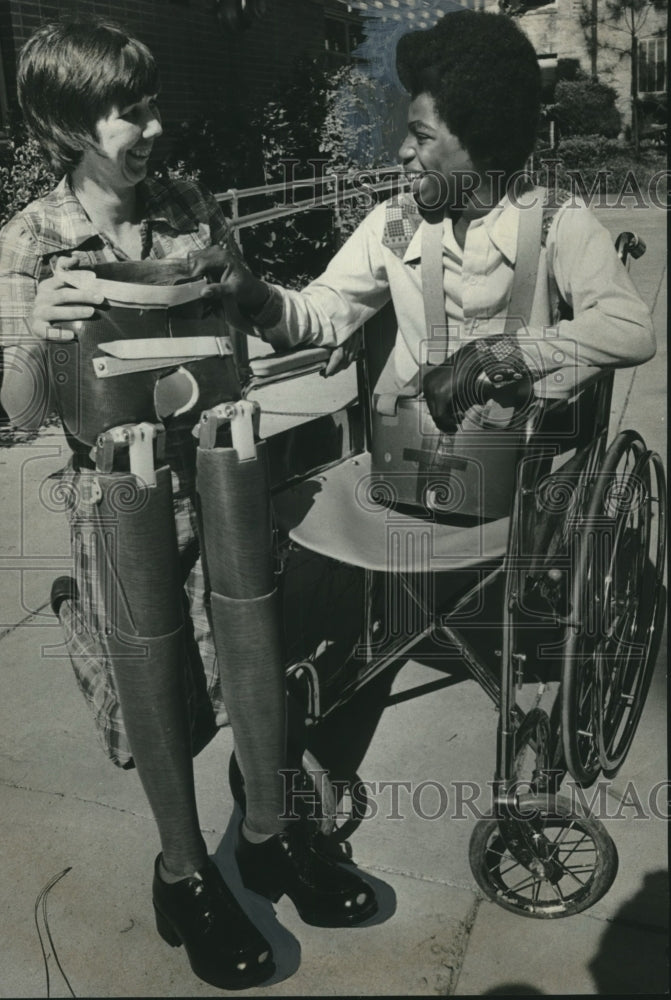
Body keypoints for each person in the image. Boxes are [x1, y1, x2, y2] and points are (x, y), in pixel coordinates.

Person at [0, 18, 377, 993]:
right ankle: (183, 872)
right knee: (158, 682)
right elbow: (18, 413)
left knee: (254, 651)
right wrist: (35, 338)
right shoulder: (31, 241)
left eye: (152, 100)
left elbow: (235, 318)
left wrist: (253, 296)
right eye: (130, 110)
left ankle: (265, 835)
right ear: (70, 122)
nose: (155, 124)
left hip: (222, 464)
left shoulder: (184, 204)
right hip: (120, 492)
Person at [209, 10, 655, 431]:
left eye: (421, 136)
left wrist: (492, 354)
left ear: (484, 141)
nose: (403, 151)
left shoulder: (555, 220)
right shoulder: (399, 223)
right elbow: (323, 312)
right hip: (413, 456)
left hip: (520, 469)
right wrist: (257, 296)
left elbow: (631, 328)